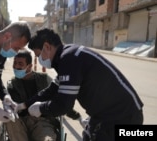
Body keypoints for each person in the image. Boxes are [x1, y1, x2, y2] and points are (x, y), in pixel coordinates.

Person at [16, 28, 144, 141]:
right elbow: (51, 91)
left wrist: (41, 108)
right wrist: (24, 105)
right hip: (113, 114)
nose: (40, 60)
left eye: (39, 55)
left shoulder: (69, 59)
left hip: (121, 117)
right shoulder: (67, 57)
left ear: (47, 47)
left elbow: (63, 105)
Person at [5, 50, 57, 141]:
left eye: (20, 64)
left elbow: (59, 97)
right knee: (9, 118)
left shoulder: (45, 79)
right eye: (15, 63)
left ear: (29, 67)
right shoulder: (12, 84)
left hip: (41, 122)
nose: (16, 66)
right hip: (20, 121)